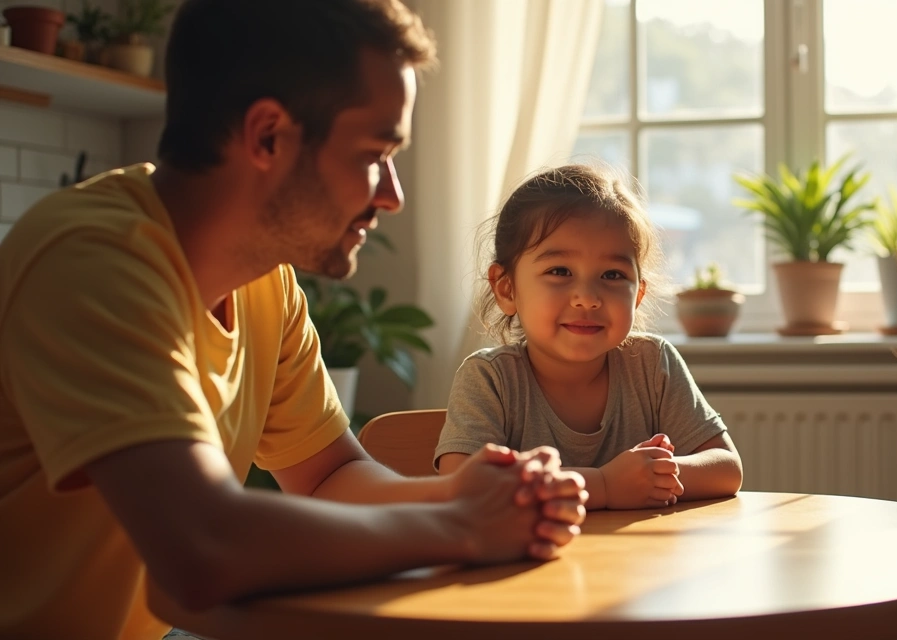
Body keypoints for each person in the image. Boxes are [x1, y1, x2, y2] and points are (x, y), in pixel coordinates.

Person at [0, 2, 588, 639]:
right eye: (375, 153)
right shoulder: (92, 261)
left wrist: (463, 493)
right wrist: (465, 528)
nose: (391, 195)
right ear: (268, 136)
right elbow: (202, 547)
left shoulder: (264, 281)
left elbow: (329, 476)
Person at [433, 165, 743, 510]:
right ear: (507, 288)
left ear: (637, 295)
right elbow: (466, 487)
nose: (588, 297)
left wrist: (652, 475)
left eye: (612, 275)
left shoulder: (653, 364)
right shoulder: (490, 379)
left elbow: (727, 469)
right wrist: (606, 486)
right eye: (559, 271)